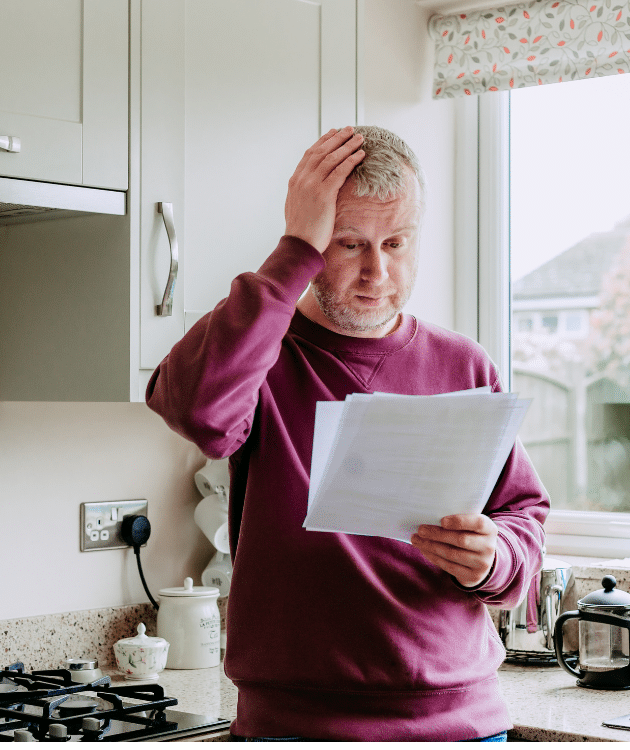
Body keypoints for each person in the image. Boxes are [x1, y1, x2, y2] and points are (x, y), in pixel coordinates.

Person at [145, 125, 549, 741]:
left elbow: (523, 514)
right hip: (297, 728)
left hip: (462, 726)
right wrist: (291, 251)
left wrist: (495, 558)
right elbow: (195, 409)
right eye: (348, 244)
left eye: (397, 242)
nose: (376, 272)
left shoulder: (464, 365)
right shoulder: (264, 354)